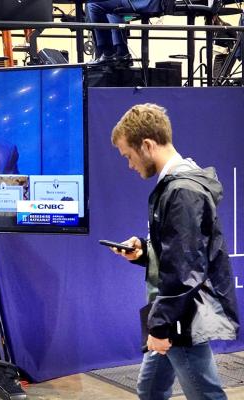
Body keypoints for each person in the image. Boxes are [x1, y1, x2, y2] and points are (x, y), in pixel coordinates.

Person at [109, 103, 239, 399]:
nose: (130, 165)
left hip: (181, 314)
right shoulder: (176, 185)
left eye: (129, 155)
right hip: (173, 311)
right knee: (150, 389)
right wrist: (143, 252)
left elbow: (185, 269)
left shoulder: (182, 192)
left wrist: (160, 326)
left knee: (205, 394)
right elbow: (177, 252)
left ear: (147, 145)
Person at [86, 0, 162, 66]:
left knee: (93, 5)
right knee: (108, 7)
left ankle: (107, 53)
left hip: (140, 4)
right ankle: (121, 52)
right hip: (141, 5)